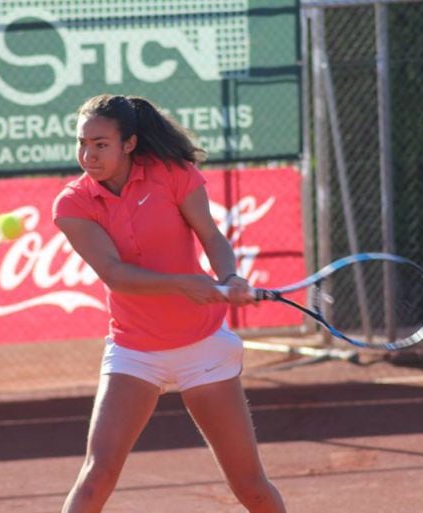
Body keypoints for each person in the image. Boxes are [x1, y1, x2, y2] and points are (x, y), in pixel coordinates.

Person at [52, 94, 287, 512]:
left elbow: (211, 237)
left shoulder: (173, 174)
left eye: (101, 143)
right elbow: (115, 274)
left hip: (203, 346)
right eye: (82, 143)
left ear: (129, 144)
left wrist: (230, 277)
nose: (88, 155)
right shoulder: (73, 203)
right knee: (95, 477)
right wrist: (183, 285)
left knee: (250, 485)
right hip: (134, 351)